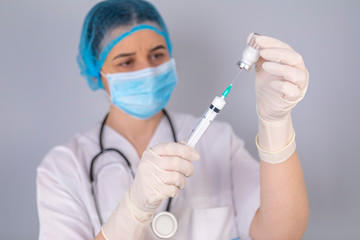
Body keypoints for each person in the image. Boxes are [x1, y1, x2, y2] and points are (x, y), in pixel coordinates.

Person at [36, 0, 309, 239]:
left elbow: (282, 234)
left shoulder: (217, 141)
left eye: (157, 55)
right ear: (97, 74)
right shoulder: (64, 167)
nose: (149, 70)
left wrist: (276, 122)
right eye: (126, 62)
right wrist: (134, 208)